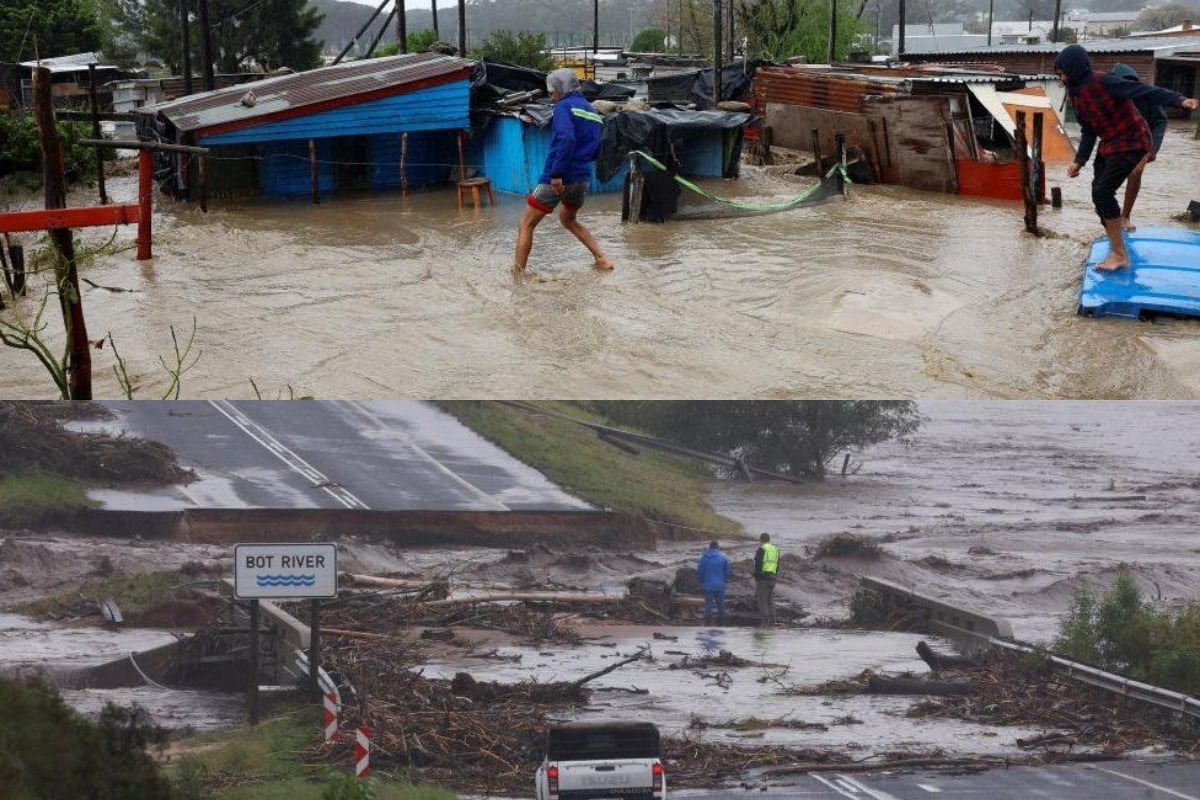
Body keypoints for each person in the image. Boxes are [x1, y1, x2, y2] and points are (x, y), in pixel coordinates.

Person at [1054, 44, 1197, 271]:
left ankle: (1120, 254)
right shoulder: (1075, 93)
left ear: (1074, 68)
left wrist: (1178, 100)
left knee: (1103, 191)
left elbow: (1145, 91)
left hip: (1133, 140)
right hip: (1110, 143)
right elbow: (1089, 131)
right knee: (1097, 192)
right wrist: (1079, 161)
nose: (1060, 78)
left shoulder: (1104, 81)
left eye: (1062, 72)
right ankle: (1115, 242)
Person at [514, 68, 614, 273]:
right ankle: (602, 258)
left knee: (526, 223)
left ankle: (517, 275)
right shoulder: (592, 112)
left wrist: (557, 173)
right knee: (568, 220)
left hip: (560, 175)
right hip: (582, 177)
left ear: (562, 89)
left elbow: (566, 138)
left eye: (552, 91)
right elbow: (597, 147)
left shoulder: (563, 107)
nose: (550, 96)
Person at [1111, 63, 1169, 232]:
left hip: (1143, 142)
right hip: (1118, 141)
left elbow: (1160, 121)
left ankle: (1126, 216)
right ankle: (1109, 214)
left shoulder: (1146, 95)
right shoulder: (1111, 95)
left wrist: (1153, 149)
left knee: (1135, 172)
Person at [696, 540, 731, 626]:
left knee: (708, 604)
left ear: (709, 547)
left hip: (707, 585)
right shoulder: (723, 557)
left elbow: (700, 572)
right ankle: (721, 623)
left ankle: (708, 623)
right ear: (718, 547)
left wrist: (702, 581)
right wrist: (724, 580)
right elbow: (728, 572)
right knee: (721, 605)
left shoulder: (703, 558)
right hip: (720, 585)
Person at [753, 533, 779, 626]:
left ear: (761, 540)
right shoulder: (775, 549)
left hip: (763, 579)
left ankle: (764, 625)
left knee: (762, 601)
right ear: (769, 539)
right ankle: (772, 623)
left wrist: (756, 576)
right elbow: (778, 565)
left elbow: (758, 565)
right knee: (770, 601)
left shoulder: (762, 549)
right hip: (772, 578)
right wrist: (775, 576)